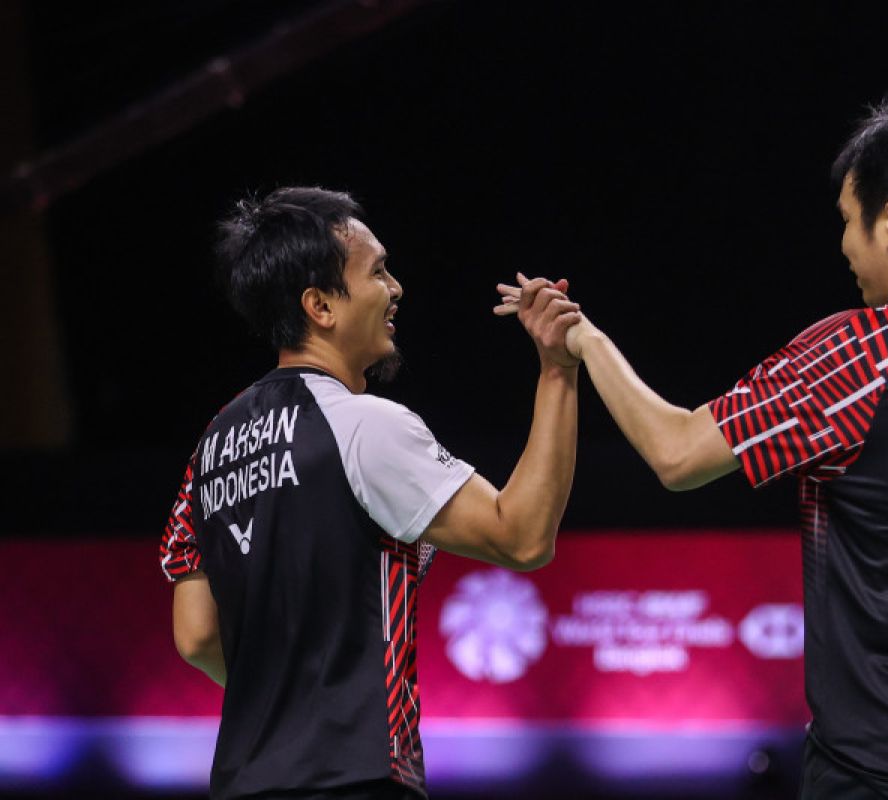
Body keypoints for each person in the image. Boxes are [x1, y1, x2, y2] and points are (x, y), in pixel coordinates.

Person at [498, 91, 888, 798]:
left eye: (848, 223)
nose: (845, 248)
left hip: (879, 778)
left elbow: (677, 453)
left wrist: (582, 339)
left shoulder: (856, 354)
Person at [160, 186, 581, 800]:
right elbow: (521, 535)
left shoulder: (213, 444)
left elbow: (196, 635)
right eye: (377, 270)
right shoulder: (362, 423)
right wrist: (557, 371)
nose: (396, 287)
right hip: (355, 773)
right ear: (321, 306)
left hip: (244, 780)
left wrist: (287, 708)